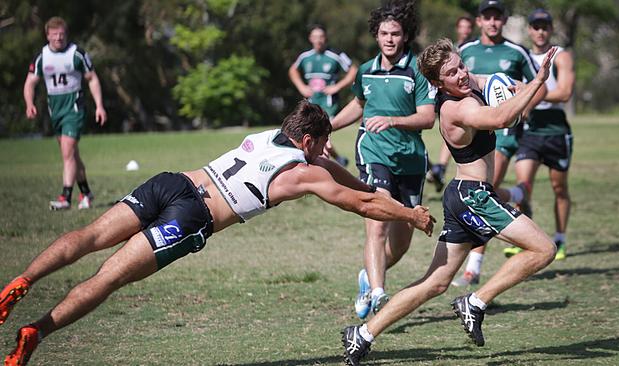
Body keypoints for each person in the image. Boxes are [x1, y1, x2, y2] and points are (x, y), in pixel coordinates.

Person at [0, 100, 435, 366]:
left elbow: (345, 178)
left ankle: (21, 282)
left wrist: (372, 188)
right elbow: (359, 202)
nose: (325, 151)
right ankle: (36, 332)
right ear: (307, 142)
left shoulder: (269, 136)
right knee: (108, 277)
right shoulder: (302, 174)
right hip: (190, 218)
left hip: (174, 182)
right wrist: (410, 216)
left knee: (91, 234)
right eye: (321, 144)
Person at [341, 38, 557, 366]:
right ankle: (476, 301)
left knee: (435, 282)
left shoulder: (465, 85)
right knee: (543, 249)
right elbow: (501, 118)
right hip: (474, 197)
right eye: (452, 73)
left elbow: (494, 85)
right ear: (436, 83)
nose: (462, 74)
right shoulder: (457, 108)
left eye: (461, 66)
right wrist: (539, 81)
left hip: (461, 194)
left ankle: (364, 334)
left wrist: (517, 85)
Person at [330, 0, 436, 320]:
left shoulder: (417, 70)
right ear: (376, 35)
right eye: (384, 33)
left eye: (396, 33)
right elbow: (359, 105)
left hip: (411, 159)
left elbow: (428, 118)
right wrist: (326, 127)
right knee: (377, 223)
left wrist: (392, 120)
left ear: (405, 36)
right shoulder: (365, 71)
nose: (389, 39)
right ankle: (377, 292)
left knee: (401, 243)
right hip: (373, 153)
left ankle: (368, 275)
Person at [451, 0, 547, 287]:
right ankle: (518, 194)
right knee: (483, 192)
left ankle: (473, 268)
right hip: (475, 129)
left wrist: (522, 108)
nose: (492, 22)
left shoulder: (516, 52)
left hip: (504, 132)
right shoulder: (466, 51)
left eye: (497, 17)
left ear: (504, 21)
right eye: (487, 17)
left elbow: (538, 85)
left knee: (484, 191)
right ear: (479, 21)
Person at [509, 9, 575, 260]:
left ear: (551, 29)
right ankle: (524, 238)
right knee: (522, 187)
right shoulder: (522, 56)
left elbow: (565, 92)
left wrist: (533, 91)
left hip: (556, 130)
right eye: (535, 26)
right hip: (530, 130)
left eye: (544, 27)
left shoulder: (561, 55)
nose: (540, 31)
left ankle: (560, 238)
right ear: (529, 30)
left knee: (559, 187)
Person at [23, 16, 107, 211]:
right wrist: (29, 103)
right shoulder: (42, 57)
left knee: (67, 152)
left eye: (62, 34)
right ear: (47, 35)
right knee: (72, 155)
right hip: (55, 110)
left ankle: (65, 197)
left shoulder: (76, 54)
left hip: (74, 108)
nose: (59, 38)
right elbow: (30, 82)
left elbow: (92, 78)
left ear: (66, 34)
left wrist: (100, 105)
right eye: (54, 34)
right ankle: (86, 192)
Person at [289, 24, 358, 166]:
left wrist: (337, 86)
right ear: (310, 39)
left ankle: (323, 170)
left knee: (322, 136)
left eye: (321, 37)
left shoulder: (335, 55)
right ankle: (338, 160)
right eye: (315, 37)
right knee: (318, 138)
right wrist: (301, 86)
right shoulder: (305, 57)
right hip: (311, 104)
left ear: (325, 38)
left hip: (329, 103)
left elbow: (353, 70)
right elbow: (293, 70)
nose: (318, 40)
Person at [427, 15, 475, 192]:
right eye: (462, 27)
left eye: (468, 27)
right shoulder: (454, 50)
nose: (465, 31)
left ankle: (440, 167)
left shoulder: (471, 48)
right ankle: (440, 166)